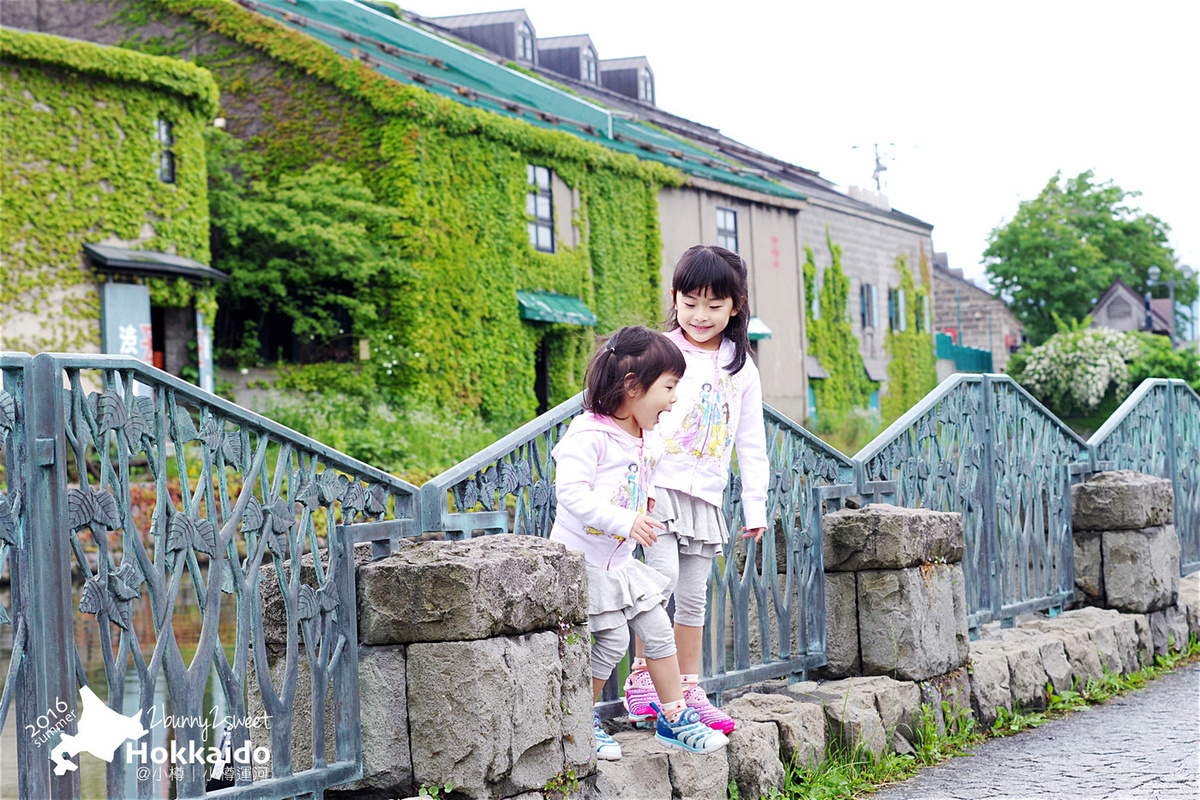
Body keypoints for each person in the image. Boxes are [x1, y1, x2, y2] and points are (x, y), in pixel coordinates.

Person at [549, 325, 729, 761]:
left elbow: (637, 474)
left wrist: (643, 499)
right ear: (632, 386)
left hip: (623, 564)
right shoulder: (588, 435)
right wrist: (625, 518)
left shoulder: (644, 434)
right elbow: (571, 495)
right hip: (585, 563)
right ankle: (577, 717)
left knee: (658, 629)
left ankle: (675, 716)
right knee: (609, 642)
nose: (673, 399)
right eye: (668, 387)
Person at [624, 245, 769, 735]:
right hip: (658, 487)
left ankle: (688, 688)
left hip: (705, 496)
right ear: (675, 298)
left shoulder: (741, 367)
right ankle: (644, 680)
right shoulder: (660, 353)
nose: (700, 316)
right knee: (657, 581)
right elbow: (630, 418)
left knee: (693, 597)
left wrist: (755, 506)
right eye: (690, 303)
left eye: (713, 305)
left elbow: (751, 441)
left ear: (736, 306)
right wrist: (633, 485)